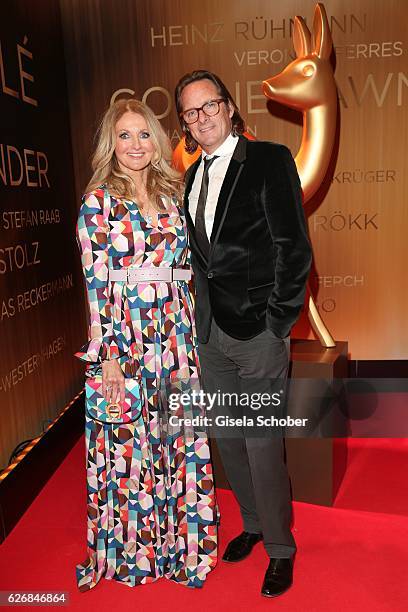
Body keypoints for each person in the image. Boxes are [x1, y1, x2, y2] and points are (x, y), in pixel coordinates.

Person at [175, 70, 312, 598]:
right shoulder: (190, 178)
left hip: (257, 332)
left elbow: (293, 248)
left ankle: (281, 548)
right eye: (190, 111)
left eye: (209, 105)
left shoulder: (270, 160)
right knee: (229, 440)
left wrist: (277, 323)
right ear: (185, 123)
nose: (202, 117)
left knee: (261, 443)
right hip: (209, 335)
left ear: (229, 108)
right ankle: (252, 524)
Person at [75, 98, 217, 591]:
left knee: (178, 438)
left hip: (177, 336)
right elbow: (97, 285)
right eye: (124, 136)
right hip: (128, 338)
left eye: (143, 135)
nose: (135, 145)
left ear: (156, 141)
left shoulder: (175, 191)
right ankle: (137, 552)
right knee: (131, 445)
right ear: (110, 145)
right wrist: (108, 356)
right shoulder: (98, 202)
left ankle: (183, 549)